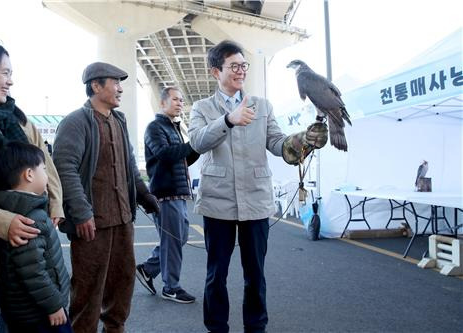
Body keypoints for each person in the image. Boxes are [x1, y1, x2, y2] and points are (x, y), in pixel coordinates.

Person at [188, 40, 328, 333]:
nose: (241, 71)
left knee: (256, 274)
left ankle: (256, 327)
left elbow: (278, 143)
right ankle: (216, 328)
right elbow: (197, 143)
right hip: (218, 203)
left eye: (243, 65)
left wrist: (302, 140)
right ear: (216, 72)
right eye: (233, 66)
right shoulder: (202, 108)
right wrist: (228, 119)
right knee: (217, 273)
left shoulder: (262, 106)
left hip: (255, 200)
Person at [0, 39, 64, 333]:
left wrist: (55, 203)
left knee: (22, 323)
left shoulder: (21, 122)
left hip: (27, 245)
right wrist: (3, 222)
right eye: (4, 73)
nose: (11, 81)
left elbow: (45, 163)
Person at [53, 61, 160, 333]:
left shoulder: (119, 121)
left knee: (122, 283)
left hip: (123, 220)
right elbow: (65, 168)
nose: (120, 89)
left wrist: (146, 196)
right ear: (96, 86)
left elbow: (129, 167)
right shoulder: (76, 122)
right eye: (115, 83)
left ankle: (115, 329)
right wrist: (81, 212)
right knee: (88, 288)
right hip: (91, 223)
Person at [0, 141, 71, 332]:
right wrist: (54, 305)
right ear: (29, 174)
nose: (46, 175)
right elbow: (33, 272)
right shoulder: (30, 217)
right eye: (44, 169)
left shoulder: (11, 211)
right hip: (42, 313)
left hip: (26, 311)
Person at [136, 87, 200, 304]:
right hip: (165, 194)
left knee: (178, 238)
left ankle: (147, 269)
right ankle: (171, 287)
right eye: (175, 99)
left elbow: (183, 160)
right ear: (162, 103)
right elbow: (164, 154)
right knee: (173, 240)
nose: (180, 103)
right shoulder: (154, 127)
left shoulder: (173, 128)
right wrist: (190, 145)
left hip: (178, 193)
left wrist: (196, 148)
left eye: (182, 100)